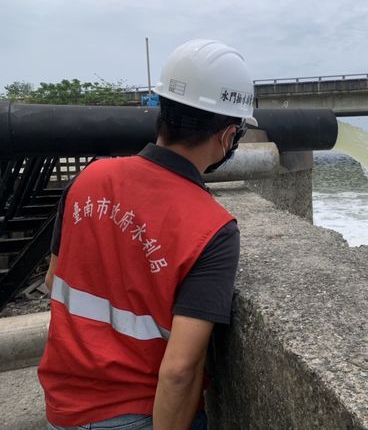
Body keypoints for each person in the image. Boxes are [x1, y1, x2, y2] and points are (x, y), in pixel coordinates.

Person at [38, 39, 257, 430]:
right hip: (135, 414)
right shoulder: (212, 228)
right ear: (227, 136)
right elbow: (179, 370)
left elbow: (54, 279)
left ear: (163, 112)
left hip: (61, 407)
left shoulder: (89, 178)